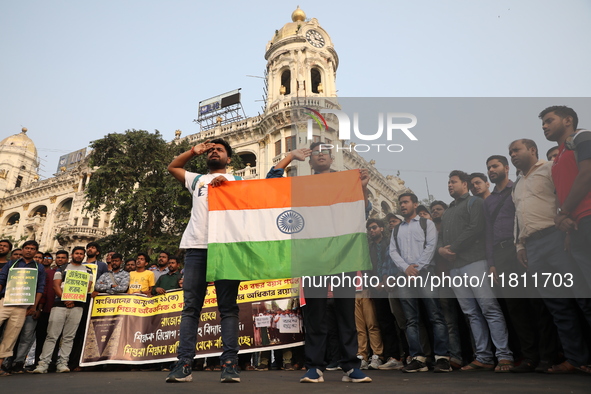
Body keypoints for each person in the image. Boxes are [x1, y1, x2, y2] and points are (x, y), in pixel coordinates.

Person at [267, 142, 372, 383]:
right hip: (313, 257)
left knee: (346, 313)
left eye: (325, 151)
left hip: (343, 254)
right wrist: (290, 157)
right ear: (310, 160)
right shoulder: (303, 185)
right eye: (315, 152)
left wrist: (363, 188)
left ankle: (350, 366)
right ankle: (315, 366)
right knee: (315, 314)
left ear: (332, 156)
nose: (321, 154)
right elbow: (271, 181)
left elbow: (363, 212)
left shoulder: (347, 181)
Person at [510, 138, 591, 374]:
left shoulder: (550, 169)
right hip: (533, 247)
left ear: (532, 150)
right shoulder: (517, 184)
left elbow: (565, 197)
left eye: (517, 150)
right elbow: (518, 217)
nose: (513, 154)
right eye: (510, 152)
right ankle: (576, 359)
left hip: (557, 237)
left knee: (582, 297)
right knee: (557, 305)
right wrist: (519, 246)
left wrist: (568, 228)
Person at [166, 138, 243, 383]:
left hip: (227, 248)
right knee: (190, 308)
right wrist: (192, 151)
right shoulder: (197, 179)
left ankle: (230, 364)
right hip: (196, 248)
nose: (214, 152)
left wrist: (229, 189)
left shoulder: (240, 182)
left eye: (219, 150)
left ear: (228, 159)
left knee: (228, 308)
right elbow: (173, 167)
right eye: (210, 150)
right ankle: (184, 364)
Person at [484, 154, 558, 373]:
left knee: (537, 303)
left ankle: (549, 356)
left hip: (524, 248)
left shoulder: (519, 189)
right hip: (502, 255)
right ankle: (529, 357)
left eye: (495, 166)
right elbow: (488, 233)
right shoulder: (488, 201)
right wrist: (491, 262)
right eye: (488, 167)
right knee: (515, 308)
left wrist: (522, 246)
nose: (491, 170)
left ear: (507, 168)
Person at [438, 170, 513, 372]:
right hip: (455, 268)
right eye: (448, 182)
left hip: (475, 263)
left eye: (453, 182)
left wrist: (452, 248)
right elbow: (441, 239)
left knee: (489, 308)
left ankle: (504, 355)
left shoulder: (475, 203)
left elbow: (476, 228)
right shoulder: (448, 211)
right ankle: (484, 357)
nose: (449, 185)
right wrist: (441, 250)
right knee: (471, 313)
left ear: (465, 184)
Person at [388, 193, 451, 373]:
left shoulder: (426, 224)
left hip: (425, 273)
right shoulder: (397, 229)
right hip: (405, 276)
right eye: (400, 203)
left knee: (435, 315)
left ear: (415, 204)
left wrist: (417, 268)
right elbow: (393, 251)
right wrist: (406, 268)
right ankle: (418, 359)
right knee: (411, 319)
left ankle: (442, 358)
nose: (402, 205)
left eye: (406, 202)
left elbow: (431, 246)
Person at [540, 106, 591, 292]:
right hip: (575, 227)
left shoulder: (583, 137)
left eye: (549, 121)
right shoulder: (557, 160)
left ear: (568, 120)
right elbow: (562, 192)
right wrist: (566, 228)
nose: (544, 126)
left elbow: (587, 174)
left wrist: (562, 213)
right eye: (542, 124)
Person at [33, 246, 93, 374]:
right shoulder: (62, 268)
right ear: (72, 255)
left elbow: (87, 288)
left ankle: (63, 363)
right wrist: (66, 299)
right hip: (59, 305)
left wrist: (74, 300)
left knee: (69, 337)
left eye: (81, 254)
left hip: (77, 306)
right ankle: (43, 364)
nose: (79, 255)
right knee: (52, 336)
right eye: (76, 253)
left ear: (84, 256)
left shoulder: (88, 270)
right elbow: (56, 285)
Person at [0, 241, 45, 377]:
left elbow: (40, 288)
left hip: (22, 307)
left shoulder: (39, 268)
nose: (29, 251)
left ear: (36, 251)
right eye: (27, 248)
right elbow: (2, 280)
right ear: (22, 249)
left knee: (11, 337)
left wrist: (34, 306)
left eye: (32, 249)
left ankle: (0, 365)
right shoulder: (12, 264)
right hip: (5, 302)